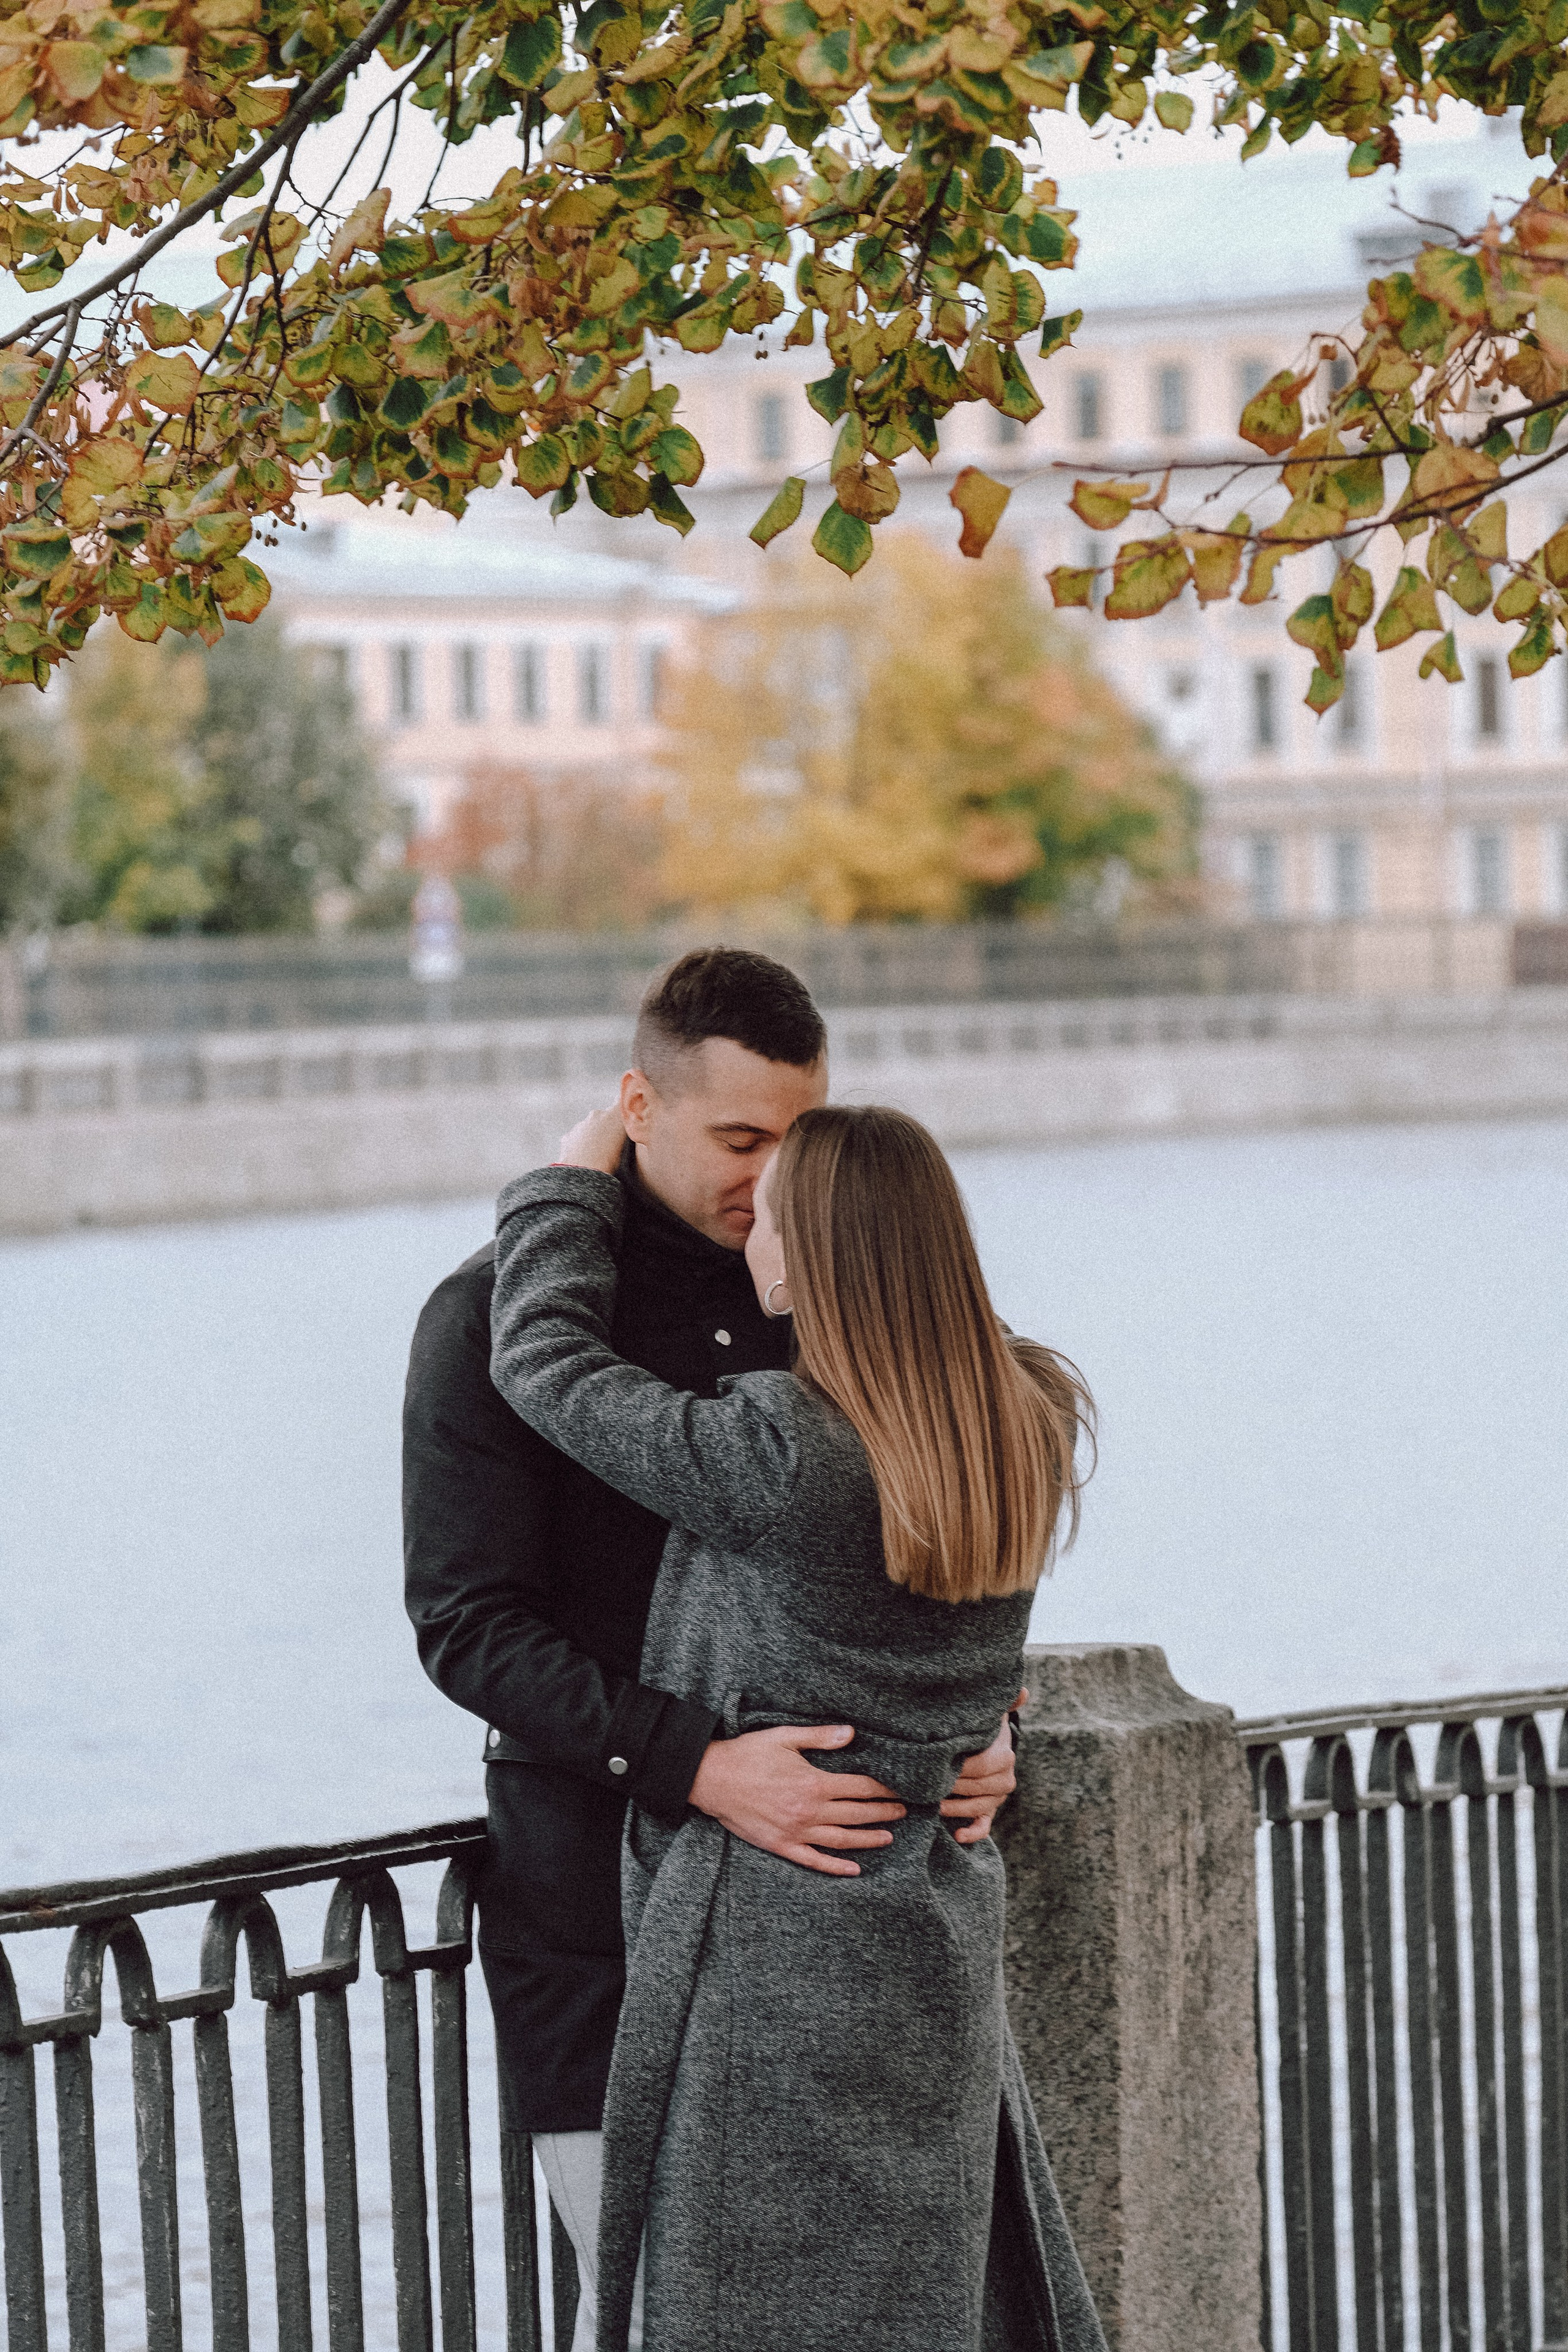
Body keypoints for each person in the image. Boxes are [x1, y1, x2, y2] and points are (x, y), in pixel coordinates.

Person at [402, 948, 1020, 2345]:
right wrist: (698, 1766)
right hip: (604, 1920)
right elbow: (465, 1628)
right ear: (638, 1104)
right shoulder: (495, 1314)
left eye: (797, 1143)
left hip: (853, 1942)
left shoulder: (846, 1305)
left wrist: (987, 1724)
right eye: (739, 1139)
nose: (771, 1179)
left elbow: (942, 1546)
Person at [489, 1099, 1107, 2352]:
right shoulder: (1026, 1418)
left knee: (748, 2312)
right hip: (931, 1932)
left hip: (775, 1957)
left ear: (814, 1250)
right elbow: (954, 1641)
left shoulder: (782, 1451)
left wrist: (563, 1189)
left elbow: (544, 1365)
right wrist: (986, 1723)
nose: (750, 1232)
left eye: (772, 1213)